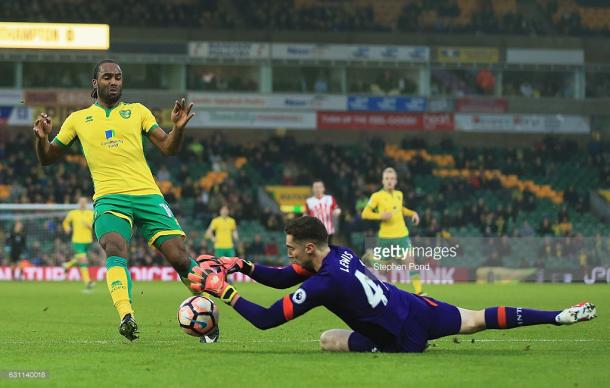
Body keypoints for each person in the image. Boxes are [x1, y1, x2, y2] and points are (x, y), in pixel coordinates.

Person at [190, 216, 597, 353]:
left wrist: (221, 289)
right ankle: (559, 316)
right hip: (416, 307)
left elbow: (265, 318)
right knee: (478, 318)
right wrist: (240, 264)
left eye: (292, 248)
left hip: (400, 339)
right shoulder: (340, 253)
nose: (289, 254)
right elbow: (281, 278)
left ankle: (380, 343)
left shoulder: (324, 285)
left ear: (310, 246)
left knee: (328, 338)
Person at [33, 59, 206, 342]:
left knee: (178, 257)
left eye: (118, 77)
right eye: (107, 77)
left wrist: (178, 129)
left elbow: (168, 148)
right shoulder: (78, 119)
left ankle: (206, 310)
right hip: (110, 198)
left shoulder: (138, 112)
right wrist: (42, 139)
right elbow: (47, 158)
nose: (113, 81)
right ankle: (127, 315)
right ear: (95, 83)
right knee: (115, 247)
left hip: (147, 194)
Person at [361, 167, 423, 295]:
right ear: (383, 181)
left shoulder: (399, 194)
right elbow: (365, 213)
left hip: (402, 235)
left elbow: (400, 209)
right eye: (387, 179)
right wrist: (380, 216)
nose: (389, 181)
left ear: (396, 181)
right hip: (385, 237)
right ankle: (371, 257)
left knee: (410, 262)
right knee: (382, 269)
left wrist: (412, 213)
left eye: (392, 179)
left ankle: (420, 292)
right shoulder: (377, 196)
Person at [62, 197, 95, 290]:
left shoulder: (90, 213)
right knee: (83, 260)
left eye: (84, 202)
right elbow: (65, 222)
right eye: (81, 202)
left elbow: (94, 226)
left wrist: (89, 225)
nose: (82, 203)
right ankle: (87, 282)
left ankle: (67, 265)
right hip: (77, 241)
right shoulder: (73, 213)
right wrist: (67, 228)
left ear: (87, 203)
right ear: (78, 203)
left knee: (80, 259)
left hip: (88, 241)